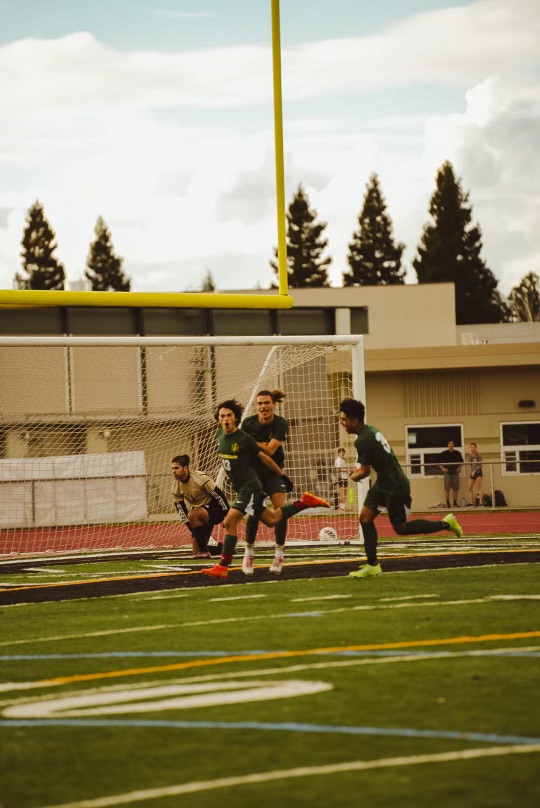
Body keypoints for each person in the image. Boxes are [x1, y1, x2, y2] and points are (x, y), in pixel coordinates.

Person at [203, 399, 330, 580]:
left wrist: (282, 476)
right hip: (242, 489)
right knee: (272, 519)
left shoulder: (244, 439)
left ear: (236, 418)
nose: (225, 419)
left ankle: (223, 566)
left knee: (230, 522)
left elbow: (265, 458)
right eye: (222, 416)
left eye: (229, 415)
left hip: (250, 488)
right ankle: (304, 502)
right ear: (218, 419)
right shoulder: (219, 434)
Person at [339, 398, 463, 579]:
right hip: (384, 481)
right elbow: (373, 464)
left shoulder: (362, 441)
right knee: (365, 519)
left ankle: (446, 523)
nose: (342, 423)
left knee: (401, 528)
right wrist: (358, 471)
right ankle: (373, 565)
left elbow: (365, 472)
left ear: (355, 421)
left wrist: (353, 476)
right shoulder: (370, 430)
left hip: (395, 485)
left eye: (344, 419)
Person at [241, 388, 290, 575]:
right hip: (254, 474)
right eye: (260, 403)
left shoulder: (280, 423)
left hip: (274, 473)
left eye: (266, 403)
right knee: (255, 512)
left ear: (273, 405)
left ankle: (279, 554)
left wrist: (253, 444)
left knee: (280, 511)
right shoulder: (248, 423)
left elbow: (270, 451)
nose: (263, 407)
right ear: (256, 406)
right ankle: (248, 553)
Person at [171, 455, 229, 558]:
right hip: (199, 513)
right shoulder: (175, 487)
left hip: (215, 509)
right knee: (195, 552)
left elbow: (219, 496)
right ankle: (223, 548)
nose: (173, 471)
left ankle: (204, 551)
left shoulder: (200, 478)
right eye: (172, 468)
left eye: (176, 468)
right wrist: (193, 529)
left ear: (185, 469)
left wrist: (226, 515)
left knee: (193, 515)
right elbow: (181, 511)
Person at [439, 440, 464, 508]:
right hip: (447, 474)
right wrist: (442, 468)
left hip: (455, 473)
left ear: (453, 444)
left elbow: (462, 462)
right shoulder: (444, 453)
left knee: (455, 489)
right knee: (447, 489)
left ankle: (455, 502)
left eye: (452, 443)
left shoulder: (457, 453)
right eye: (449, 443)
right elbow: (438, 462)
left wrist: (459, 468)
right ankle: (448, 503)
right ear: (448, 445)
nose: (451, 444)